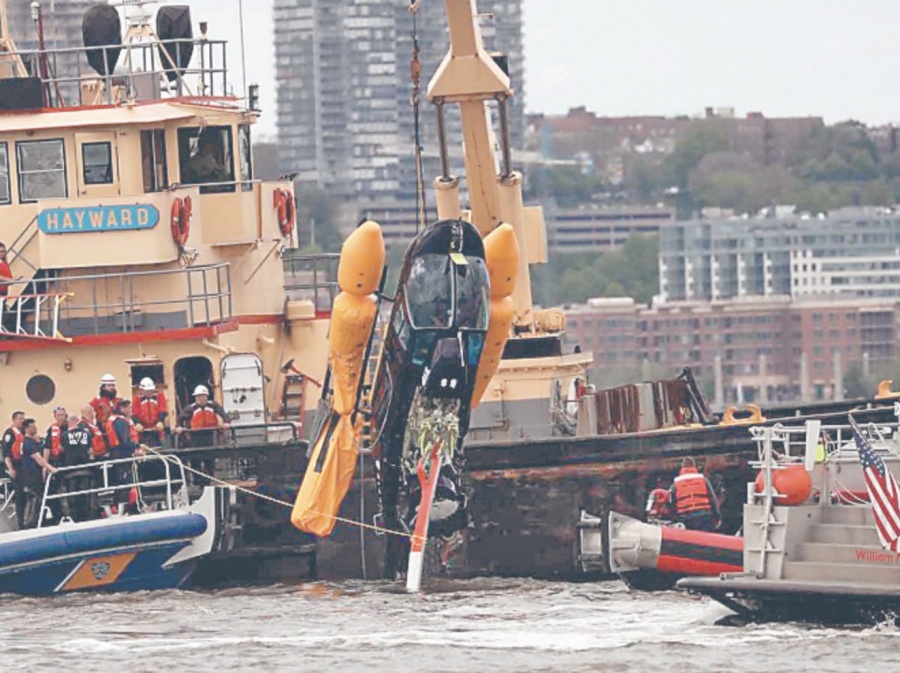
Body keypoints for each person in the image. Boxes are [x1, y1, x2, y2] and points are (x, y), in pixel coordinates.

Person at [176, 385, 228, 486]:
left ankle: (209, 479)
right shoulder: (191, 408)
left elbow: (222, 413)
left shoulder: (213, 406)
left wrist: (226, 422)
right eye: (198, 396)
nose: (200, 398)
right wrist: (179, 427)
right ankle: (197, 481)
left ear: (206, 396)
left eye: (202, 396)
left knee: (209, 459)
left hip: (209, 435)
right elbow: (180, 418)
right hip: (195, 437)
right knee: (195, 459)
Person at [60, 405, 104, 521]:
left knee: (73, 496)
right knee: (87, 494)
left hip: (71, 469)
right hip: (86, 468)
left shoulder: (64, 436)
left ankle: (75, 517)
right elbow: (90, 451)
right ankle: (88, 516)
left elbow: (61, 450)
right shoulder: (87, 433)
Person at [104, 400, 145, 514]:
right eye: (129, 408)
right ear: (123, 408)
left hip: (119, 453)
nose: (131, 410)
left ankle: (124, 506)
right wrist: (137, 446)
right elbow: (125, 440)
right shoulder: (120, 422)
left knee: (123, 481)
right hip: (121, 454)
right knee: (125, 481)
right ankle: (124, 507)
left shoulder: (117, 419)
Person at [16, 418, 56, 529]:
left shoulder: (29, 442)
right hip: (32, 475)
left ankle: (34, 521)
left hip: (30, 475)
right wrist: (50, 468)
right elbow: (38, 458)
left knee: (36, 498)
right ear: (28, 428)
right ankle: (30, 523)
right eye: (33, 426)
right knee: (34, 498)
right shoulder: (28, 442)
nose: (36, 428)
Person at [670, 457, 721, 532]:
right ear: (694, 466)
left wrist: (675, 519)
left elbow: (671, 502)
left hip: (685, 518)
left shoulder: (676, 483)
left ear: (682, 466)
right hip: (704, 516)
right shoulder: (703, 480)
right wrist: (717, 516)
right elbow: (713, 498)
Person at [133, 377, 168, 447]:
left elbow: (163, 410)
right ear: (142, 390)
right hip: (143, 431)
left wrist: (160, 421)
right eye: (147, 391)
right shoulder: (137, 399)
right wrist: (137, 423)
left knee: (162, 446)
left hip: (157, 430)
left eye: (151, 390)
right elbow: (134, 413)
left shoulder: (159, 396)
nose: (149, 392)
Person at [2, 411, 25, 480]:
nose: (22, 421)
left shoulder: (24, 432)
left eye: (23, 419)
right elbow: (6, 453)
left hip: (23, 464)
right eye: (20, 419)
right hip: (15, 464)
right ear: (14, 420)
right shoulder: (9, 433)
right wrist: (10, 469)